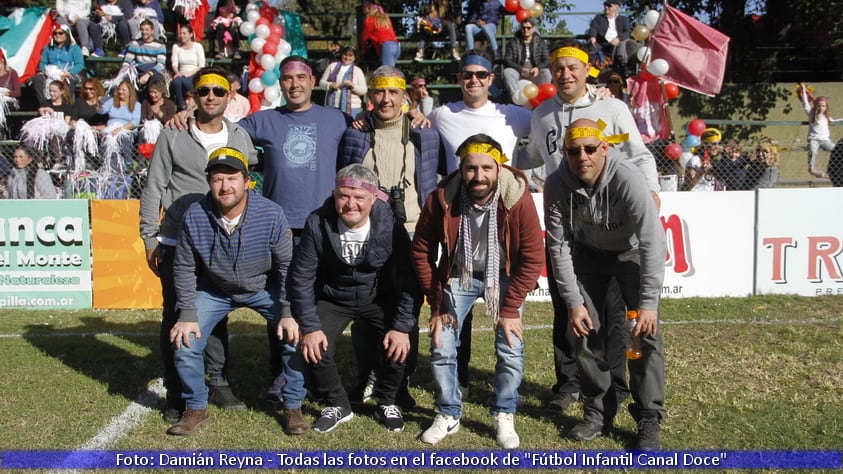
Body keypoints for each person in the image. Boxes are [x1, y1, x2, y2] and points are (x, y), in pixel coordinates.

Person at [524, 40, 660, 418]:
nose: (565, 74)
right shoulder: (541, 115)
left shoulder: (611, 107)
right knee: (568, 311)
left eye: (573, 67)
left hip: (609, 224)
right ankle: (568, 386)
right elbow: (532, 155)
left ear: (587, 71)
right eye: (558, 68)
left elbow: (638, 153)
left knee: (612, 317)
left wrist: (650, 190)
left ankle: (615, 386)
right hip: (567, 223)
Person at [411, 133, 544, 449]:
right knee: (442, 343)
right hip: (461, 273)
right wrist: (436, 299)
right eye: (471, 168)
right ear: (461, 167)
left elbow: (533, 256)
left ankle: (504, 411)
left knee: (510, 344)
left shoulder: (517, 196)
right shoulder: (444, 196)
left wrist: (510, 309)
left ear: (499, 168)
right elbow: (421, 250)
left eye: (487, 168)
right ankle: (447, 411)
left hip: (505, 275)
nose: (479, 176)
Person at [140, 67, 257, 423]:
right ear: (192, 95)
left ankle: (218, 380)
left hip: (223, 240)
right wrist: (149, 236)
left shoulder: (240, 136)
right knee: (176, 314)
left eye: (218, 91)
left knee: (216, 313)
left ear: (229, 96)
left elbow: (250, 187)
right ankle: (177, 392)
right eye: (203, 90)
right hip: (177, 240)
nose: (210, 96)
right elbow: (153, 188)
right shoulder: (173, 135)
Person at [544, 118, 667, 450]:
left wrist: (648, 304)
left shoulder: (627, 177)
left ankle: (648, 416)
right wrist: (573, 302)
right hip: (588, 254)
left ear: (604, 148)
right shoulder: (556, 183)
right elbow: (558, 245)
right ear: (565, 153)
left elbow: (653, 240)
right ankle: (598, 411)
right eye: (573, 151)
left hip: (632, 253)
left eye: (589, 149)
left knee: (643, 336)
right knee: (587, 333)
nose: (582, 157)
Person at [425, 51, 532, 396]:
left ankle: (505, 403)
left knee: (507, 321)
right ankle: (460, 380)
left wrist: (599, 94)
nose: (474, 80)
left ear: (491, 79)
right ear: (459, 78)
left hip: (502, 210)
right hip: (461, 210)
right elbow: (417, 125)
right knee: (458, 311)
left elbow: (551, 118)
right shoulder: (443, 114)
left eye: (481, 74)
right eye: (467, 74)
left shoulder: (513, 114)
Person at [167, 146, 295, 436]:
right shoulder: (195, 215)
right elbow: (184, 267)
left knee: (296, 333)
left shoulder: (271, 213)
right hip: (216, 289)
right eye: (217, 179)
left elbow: (288, 266)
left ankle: (293, 406)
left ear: (247, 181)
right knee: (185, 341)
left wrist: (287, 311)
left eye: (232, 178)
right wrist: (187, 313)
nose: (225, 186)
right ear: (209, 183)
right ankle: (196, 408)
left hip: (264, 286)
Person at [338, 65, 444, 408]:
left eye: (393, 93)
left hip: (414, 230)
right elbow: (344, 180)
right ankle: (368, 373)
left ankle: (400, 380)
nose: (386, 99)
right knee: (365, 306)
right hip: (365, 232)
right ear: (370, 97)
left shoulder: (425, 133)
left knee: (406, 309)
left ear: (405, 97)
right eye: (379, 92)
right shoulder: (354, 133)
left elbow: (435, 177)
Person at [288, 164, 419, 433]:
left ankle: (388, 400)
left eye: (359, 198)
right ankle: (337, 403)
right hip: (335, 297)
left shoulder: (390, 225)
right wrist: (310, 327)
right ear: (334, 194)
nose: (350, 205)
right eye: (343, 196)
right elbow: (300, 278)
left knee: (400, 343)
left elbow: (409, 279)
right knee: (314, 343)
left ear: (373, 198)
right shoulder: (317, 222)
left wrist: (402, 326)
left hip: (378, 298)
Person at [31, 24, 84, 107]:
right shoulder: (48, 48)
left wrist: (69, 72)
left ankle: (67, 107)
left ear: (66, 34)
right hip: (50, 72)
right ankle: (44, 105)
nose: (58, 35)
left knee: (68, 81)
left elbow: (80, 64)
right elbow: (43, 62)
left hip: (68, 72)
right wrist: (45, 71)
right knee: (37, 79)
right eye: (55, 33)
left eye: (61, 33)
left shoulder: (74, 48)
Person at [502, 18, 551, 100]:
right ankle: (516, 99)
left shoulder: (541, 42)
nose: (526, 30)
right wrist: (520, 68)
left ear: (533, 28)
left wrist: (537, 68)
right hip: (519, 72)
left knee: (546, 73)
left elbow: (547, 60)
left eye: (528, 28)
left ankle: (540, 100)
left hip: (535, 73)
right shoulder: (513, 42)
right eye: (523, 28)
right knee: (507, 72)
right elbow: (507, 59)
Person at [799, 82, 840, 178]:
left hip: (825, 140)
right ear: (815, 106)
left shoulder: (826, 116)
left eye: (823, 106)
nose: (821, 108)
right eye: (819, 106)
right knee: (813, 152)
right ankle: (812, 169)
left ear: (826, 107)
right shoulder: (811, 113)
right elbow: (805, 103)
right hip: (814, 139)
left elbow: (834, 121)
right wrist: (804, 89)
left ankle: (834, 169)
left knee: (836, 150)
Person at [587, 0, 636, 75]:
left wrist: (618, 38)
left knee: (626, 44)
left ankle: (624, 69)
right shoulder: (599, 18)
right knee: (592, 48)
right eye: (605, 5)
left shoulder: (623, 19)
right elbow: (594, 28)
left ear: (617, 7)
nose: (606, 7)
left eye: (609, 5)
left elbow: (627, 32)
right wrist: (592, 36)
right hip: (602, 44)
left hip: (617, 44)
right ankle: (594, 75)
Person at [319, 45, 367, 117]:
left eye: (350, 55)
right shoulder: (332, 66)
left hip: (352, 108)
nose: (347, 57)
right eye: (345, 55)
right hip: (332, 106)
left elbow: (364, 90)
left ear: (354, 57)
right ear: (342, 54)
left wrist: (353, 87)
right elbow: (321, 83)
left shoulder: (357, 70)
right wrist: (329, 85)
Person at [171, 23, 206, 111]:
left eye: (184, 33)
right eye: (180, 33)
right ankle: (181, 105)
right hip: (181, 72)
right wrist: (177, 72)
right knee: (177, 82)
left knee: (187, 82)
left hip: (194, 72)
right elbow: (174, 63)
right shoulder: (176, 47)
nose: (182, 35)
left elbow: (201, 65)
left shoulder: (198, 46)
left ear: (190, 34)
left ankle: (194, 103)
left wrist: (189, 73)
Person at [123, 19, 166, 87]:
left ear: (152, 31)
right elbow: (127, 61)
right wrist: (123, 71)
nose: (144, 32)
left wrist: (148, 74)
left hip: (152, 69)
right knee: (125, 80)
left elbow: (161, 64)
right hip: (138, 69)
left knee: (157, 78)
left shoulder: (160, 45)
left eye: (146, 30)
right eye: (142, 29)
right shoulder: (135, 43)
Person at [359, 0, 401, 67]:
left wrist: (363, 50)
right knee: (391, 72)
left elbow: (364, 38)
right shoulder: (385, 18)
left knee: (387, 73)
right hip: (395, 46)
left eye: (363, 7)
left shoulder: (370, 20)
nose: (362, 9)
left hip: (386, 47)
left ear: (368, 8)